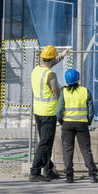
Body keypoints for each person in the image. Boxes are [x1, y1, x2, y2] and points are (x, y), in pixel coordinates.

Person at [29, 45, 69, 182]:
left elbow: (50, 62)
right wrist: (63, 90)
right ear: (52, 59)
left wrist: (62, 55)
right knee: (45, 143)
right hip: (48, 113)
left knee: (46, 142)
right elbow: (56, 93)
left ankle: (48, 170)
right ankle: (34, 172)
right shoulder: (50, 75)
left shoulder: (36, 70)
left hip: (38, 112)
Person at [56, 69, 98, 183]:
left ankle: (69, 176)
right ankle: (92, 175)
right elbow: (91, 110)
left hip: (67, 124)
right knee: (85, 149)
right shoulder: (85, 91)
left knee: (67, 150)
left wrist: (61, 121)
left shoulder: (64, 92)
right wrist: (88, 121)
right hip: (82, 124)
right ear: (78, 79)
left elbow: (59, 110)